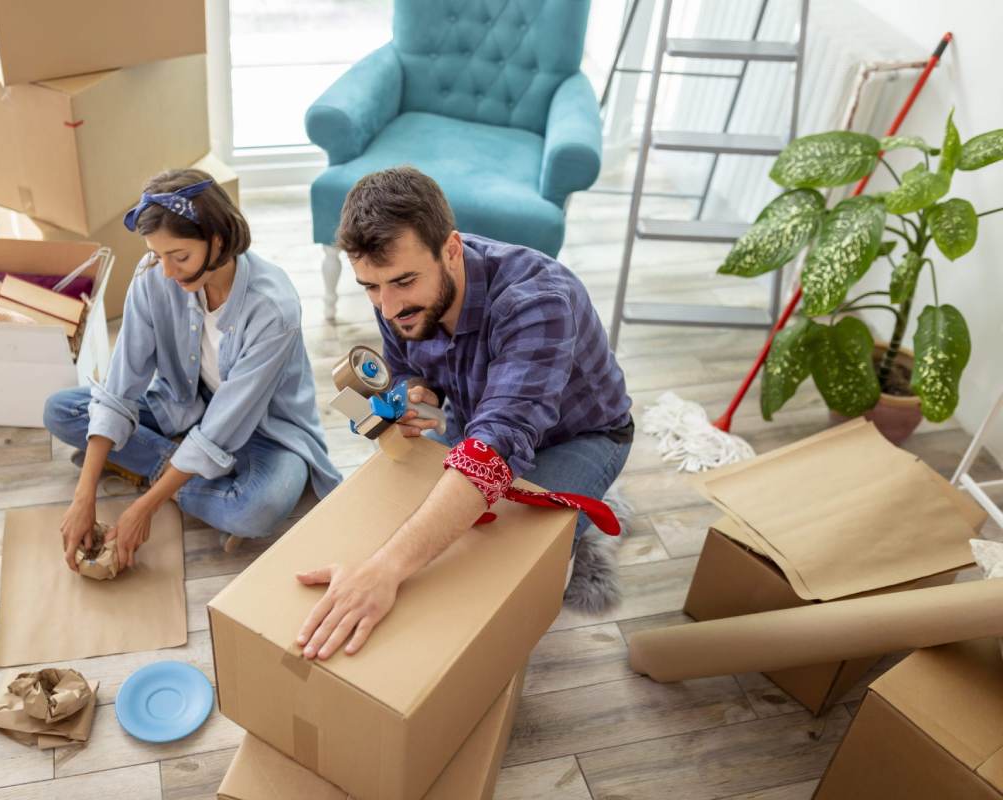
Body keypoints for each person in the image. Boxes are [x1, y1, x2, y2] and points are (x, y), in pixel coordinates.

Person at [295, 166, 632, 661]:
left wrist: (385, 570)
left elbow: (497, 444)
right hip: (477, 423)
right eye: (370, 287)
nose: (387, 308)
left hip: (578, 435)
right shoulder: (397, 291)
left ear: (451, 249)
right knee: (413, 515)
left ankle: (579, 527)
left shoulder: (537, 301)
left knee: (498, 570)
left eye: (403, 282)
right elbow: (409, 367)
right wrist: (417, 394)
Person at [44, 168, 341, 572]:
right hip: (183, 405)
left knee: (257, 510)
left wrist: (143, 508)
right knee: (61, 411)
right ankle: (182, 468)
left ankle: (153, 467)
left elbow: (226, 424)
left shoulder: (273, 309)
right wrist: (84, 495)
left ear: (217, 240)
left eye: (179, 256)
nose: (166, 270)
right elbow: (120, 386)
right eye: (158, 254)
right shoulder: (155, 275)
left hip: (266, 431)